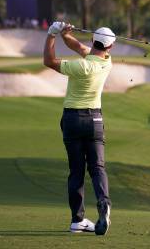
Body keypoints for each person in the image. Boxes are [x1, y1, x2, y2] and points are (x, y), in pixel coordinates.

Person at [43, 21, 113, 235]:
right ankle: (103, 201)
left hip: (73, 120)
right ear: (110, 48)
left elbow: (49, 61)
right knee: (97, 167)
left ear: (93, 40)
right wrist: (65, 34)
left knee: (76, 171)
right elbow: (81, 49)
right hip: (95, 121)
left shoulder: (80, 66)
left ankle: (77, 220)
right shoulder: (107, 63)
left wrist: (51, 35)